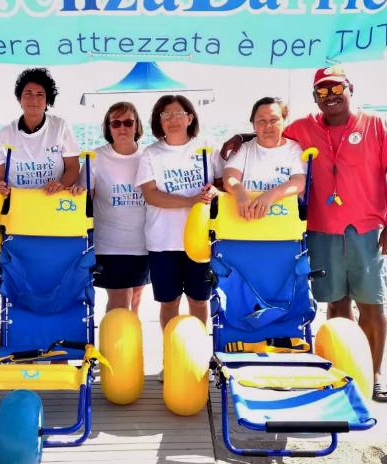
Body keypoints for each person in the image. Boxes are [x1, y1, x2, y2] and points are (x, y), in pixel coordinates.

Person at [220, 65, 387, 403]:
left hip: (367, 228)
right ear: (314, 97)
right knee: (336, 304)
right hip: (321, 228)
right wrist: (240, 138)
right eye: (322, 91)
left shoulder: (378, 125)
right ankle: (345, 369)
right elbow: (270, 134)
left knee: (372, 303)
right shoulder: (304, 128)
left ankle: (375, 373)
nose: (330, 96)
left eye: (336, 89)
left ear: (350, 89)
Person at [135, 95, 219, 378]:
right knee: (168, 301)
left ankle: (197, 359)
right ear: (158, 121)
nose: (172, 119)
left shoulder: (206, 149)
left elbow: (222, 184)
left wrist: (212, 194)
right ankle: (170, 358)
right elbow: (151, 195)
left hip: (199, 242)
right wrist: (192, 200)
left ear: (190, 118)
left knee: (199, 300)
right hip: (162, 240)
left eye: (177, 113)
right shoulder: (151, 154)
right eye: (165, 115)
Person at [76, 102, 149, 313]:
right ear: (108, 128)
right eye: (116, 123)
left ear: (137, 126)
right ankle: (115, 346)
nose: (122, 128)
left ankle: (133, 345)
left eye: (128, 122)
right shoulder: (94, 158)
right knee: (119, 300)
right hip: (109, 245)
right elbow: (83, 198)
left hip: (144, 243)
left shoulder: (148, 156)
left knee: (136, 298)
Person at [0, 67, 80, 196]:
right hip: (17, 204)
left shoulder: (61, 126)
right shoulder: (4, 134)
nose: (34, 100)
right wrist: (0, 187)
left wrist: (61, 185)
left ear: (47, 101)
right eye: (28, 94)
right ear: (19, 99)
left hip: (51, 201)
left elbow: (73, 166)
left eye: (40, 94)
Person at [223, 97, 306, 219]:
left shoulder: (295, 149)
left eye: (274, 120)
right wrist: (239, 191)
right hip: (245, 223)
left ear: (284, 121)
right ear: (253, 124)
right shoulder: (242, 148)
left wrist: (271, 195)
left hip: (284, 225)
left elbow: (299, 182)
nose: (268, 125)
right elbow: (229, 177)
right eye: (261, 121)